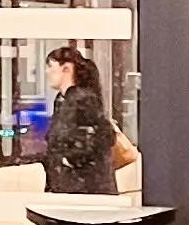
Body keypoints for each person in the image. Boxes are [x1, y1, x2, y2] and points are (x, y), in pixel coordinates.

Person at [43, 43, 136, 195]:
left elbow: (102, 136)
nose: (47, 72)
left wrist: (70, 159)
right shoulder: (63, 100)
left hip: (85, 187)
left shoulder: (82, 100)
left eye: (51, 67)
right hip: (73, 185)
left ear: (66, 68)